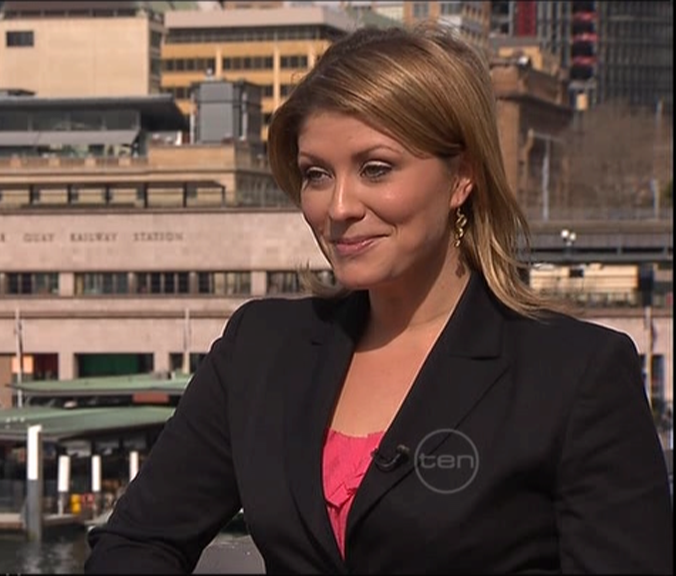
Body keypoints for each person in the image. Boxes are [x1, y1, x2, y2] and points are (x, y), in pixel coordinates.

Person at [85, 23, 673, 574]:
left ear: (462, 177)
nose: (338, 208)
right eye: (317, 174)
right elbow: (135, 542)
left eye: (375, 169)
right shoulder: (259, 350)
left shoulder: (576, 374)